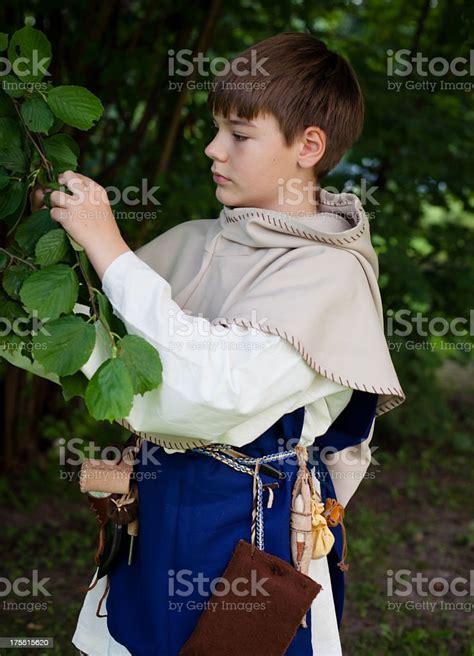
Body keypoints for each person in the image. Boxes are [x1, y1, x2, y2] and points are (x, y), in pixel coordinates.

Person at [31, 31, 405, 656]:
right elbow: (98, 344)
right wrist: (28, 282)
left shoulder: (329, 274)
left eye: (239, 133)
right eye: (214, 129)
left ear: (308, 146)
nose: (213, 149)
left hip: (252, 546)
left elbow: (209, 391)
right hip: (156, 526)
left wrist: (110, 249)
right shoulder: (195, 239)